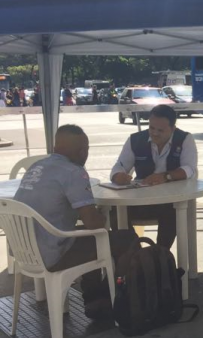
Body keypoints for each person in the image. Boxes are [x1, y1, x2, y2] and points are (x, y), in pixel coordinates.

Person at [13, 125, 136, 319]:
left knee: (91, 240)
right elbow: (93, 223)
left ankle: (95, 298)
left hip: (24, 251)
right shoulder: (74, 172)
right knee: (125, 238)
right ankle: (111, 299)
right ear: (83, 151)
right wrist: (103, 214)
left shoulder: (36, 167)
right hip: (52, 254)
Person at [109, 104, 198, 248]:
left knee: (174, 213)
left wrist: (166, 176)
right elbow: (119, 165)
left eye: (160, 130)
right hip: (141, 201)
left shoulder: (185, 139)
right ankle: (137, 254)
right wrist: (118, 175)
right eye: (151, 128)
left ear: (173, 128)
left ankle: (160, 255)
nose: (155, 133)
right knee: (113, 213)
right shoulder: (135, 139)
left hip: (170, 201)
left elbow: (189, 169)